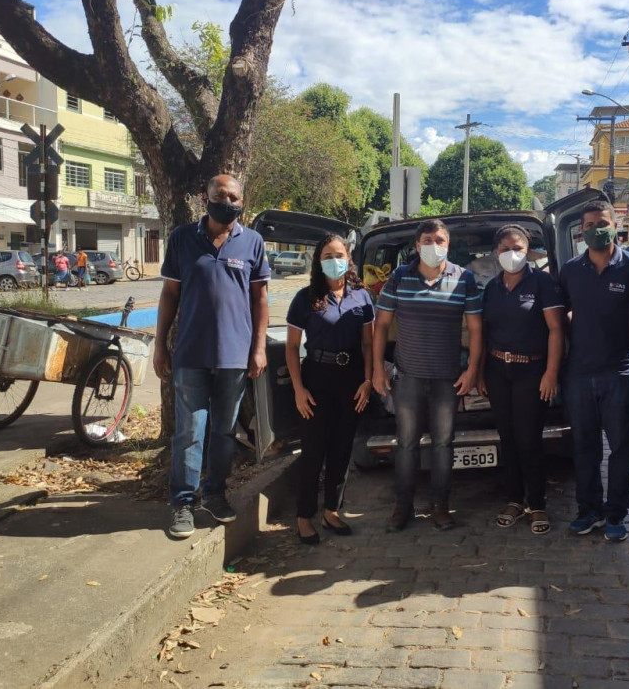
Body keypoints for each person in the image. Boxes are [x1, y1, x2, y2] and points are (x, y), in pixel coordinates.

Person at [154, 174, 270, 539]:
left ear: (242, 201)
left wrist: (259, 347)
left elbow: (260, 300)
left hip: (235, 357)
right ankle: (183, 502)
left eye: (234, 196)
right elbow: (170, 295)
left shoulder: (252, 242)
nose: (229, 201)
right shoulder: (182, 239)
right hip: (190, 353)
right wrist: (160, 344)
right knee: (189, 431)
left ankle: (215, 493)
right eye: (221, 195)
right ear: (206, 198)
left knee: (223, 431)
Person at [373, 219, 483, 532]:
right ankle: (402, 506)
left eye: (440, 240)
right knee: (406, 443)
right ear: (417, 245)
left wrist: (472, 369)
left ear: (449, 245)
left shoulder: (465, 279)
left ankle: (440, 506)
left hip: (447, 380)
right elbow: (380, 325)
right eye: (427, 239)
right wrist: (377, 369)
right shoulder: (399, 277)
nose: (434, 245)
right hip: (407, 378)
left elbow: (476, 329)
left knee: (443, 444)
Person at [286, 234, 375, 545]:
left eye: (339, 253)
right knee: (313, 451)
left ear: (348, 257)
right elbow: (292, 347)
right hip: (316, 378)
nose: (334, 259)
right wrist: (298, 389)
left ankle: (332, 510)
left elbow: (367, 342)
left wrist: (367, 380)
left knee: (342, 448)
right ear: (318, 260)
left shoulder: (362, 296)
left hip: (351, 379)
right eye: (327, 254)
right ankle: (303, 516)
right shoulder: (305, 298)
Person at [559, 201, 629, 542]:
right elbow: (558, 319)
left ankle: (615, 513)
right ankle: (588, 510)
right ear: (581, 230)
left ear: (616, 223)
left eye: (602, 222)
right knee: (584, 446)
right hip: (579, 372)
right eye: (589, 224)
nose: (595, 229)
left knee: (621, 446)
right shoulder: (571, 270)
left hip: (621, 372)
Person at [479, 224, 564, 535]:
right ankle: (514, 499)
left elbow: (556, 329)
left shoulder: (543, 283)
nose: (511, 254)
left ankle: (537, 503)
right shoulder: (491, 288)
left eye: (517, 248)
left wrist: (551, 373)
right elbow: (483, 333)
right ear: (495, 253)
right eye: (505, 249)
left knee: (529, 439)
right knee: (508, 438)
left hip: (533, 372)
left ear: (528, 251)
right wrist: (480, 373)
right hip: (498, 371)